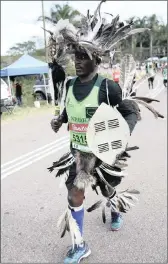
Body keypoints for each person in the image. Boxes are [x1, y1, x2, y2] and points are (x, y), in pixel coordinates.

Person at [46, 2, 164, 263]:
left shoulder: (106, 87)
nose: (77, 62)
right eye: (75, 57)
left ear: (96, 60)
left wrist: (121, 135)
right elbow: (69, 109)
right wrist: (59, 120)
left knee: (108, 189)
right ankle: (79, 246)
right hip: (78, 155)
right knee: (74, 193)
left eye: (83, 57)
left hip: (103, 154)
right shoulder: (69, 84)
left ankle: (114, 209)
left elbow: (131, 111)